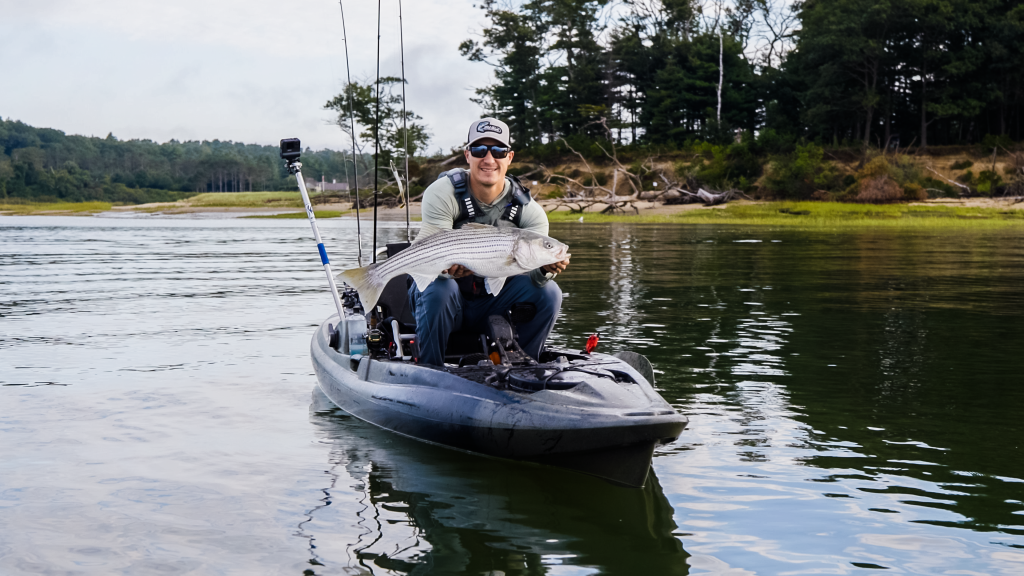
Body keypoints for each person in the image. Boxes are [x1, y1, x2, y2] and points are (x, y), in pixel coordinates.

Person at [409, 117, 570, 366]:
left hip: (494, 304)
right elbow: (431, 251)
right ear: (467, 155)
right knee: (440, 288)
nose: (488, 158)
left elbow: (537, 280)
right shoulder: (442, 192)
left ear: (509, 157)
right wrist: (446, 271)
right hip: (445, 297)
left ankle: (525, 369)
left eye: (498, 151)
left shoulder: (530, 212)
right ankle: (430, 369)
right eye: (479, 150)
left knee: (549, 293)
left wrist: (545, 270)